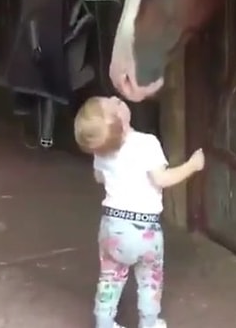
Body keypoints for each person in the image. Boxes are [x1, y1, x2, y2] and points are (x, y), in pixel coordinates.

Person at [73, 96, 205, 328]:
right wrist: (192, 165)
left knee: (110, 279)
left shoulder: (101, 149)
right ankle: (149, 323)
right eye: (113, 103)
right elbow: (162, 179)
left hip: (112, 229)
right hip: (146, 231)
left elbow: (99, 176)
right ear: (120, 122)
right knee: (150, 281)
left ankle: (104, 323)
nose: (116, 98)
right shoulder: (146, 143)